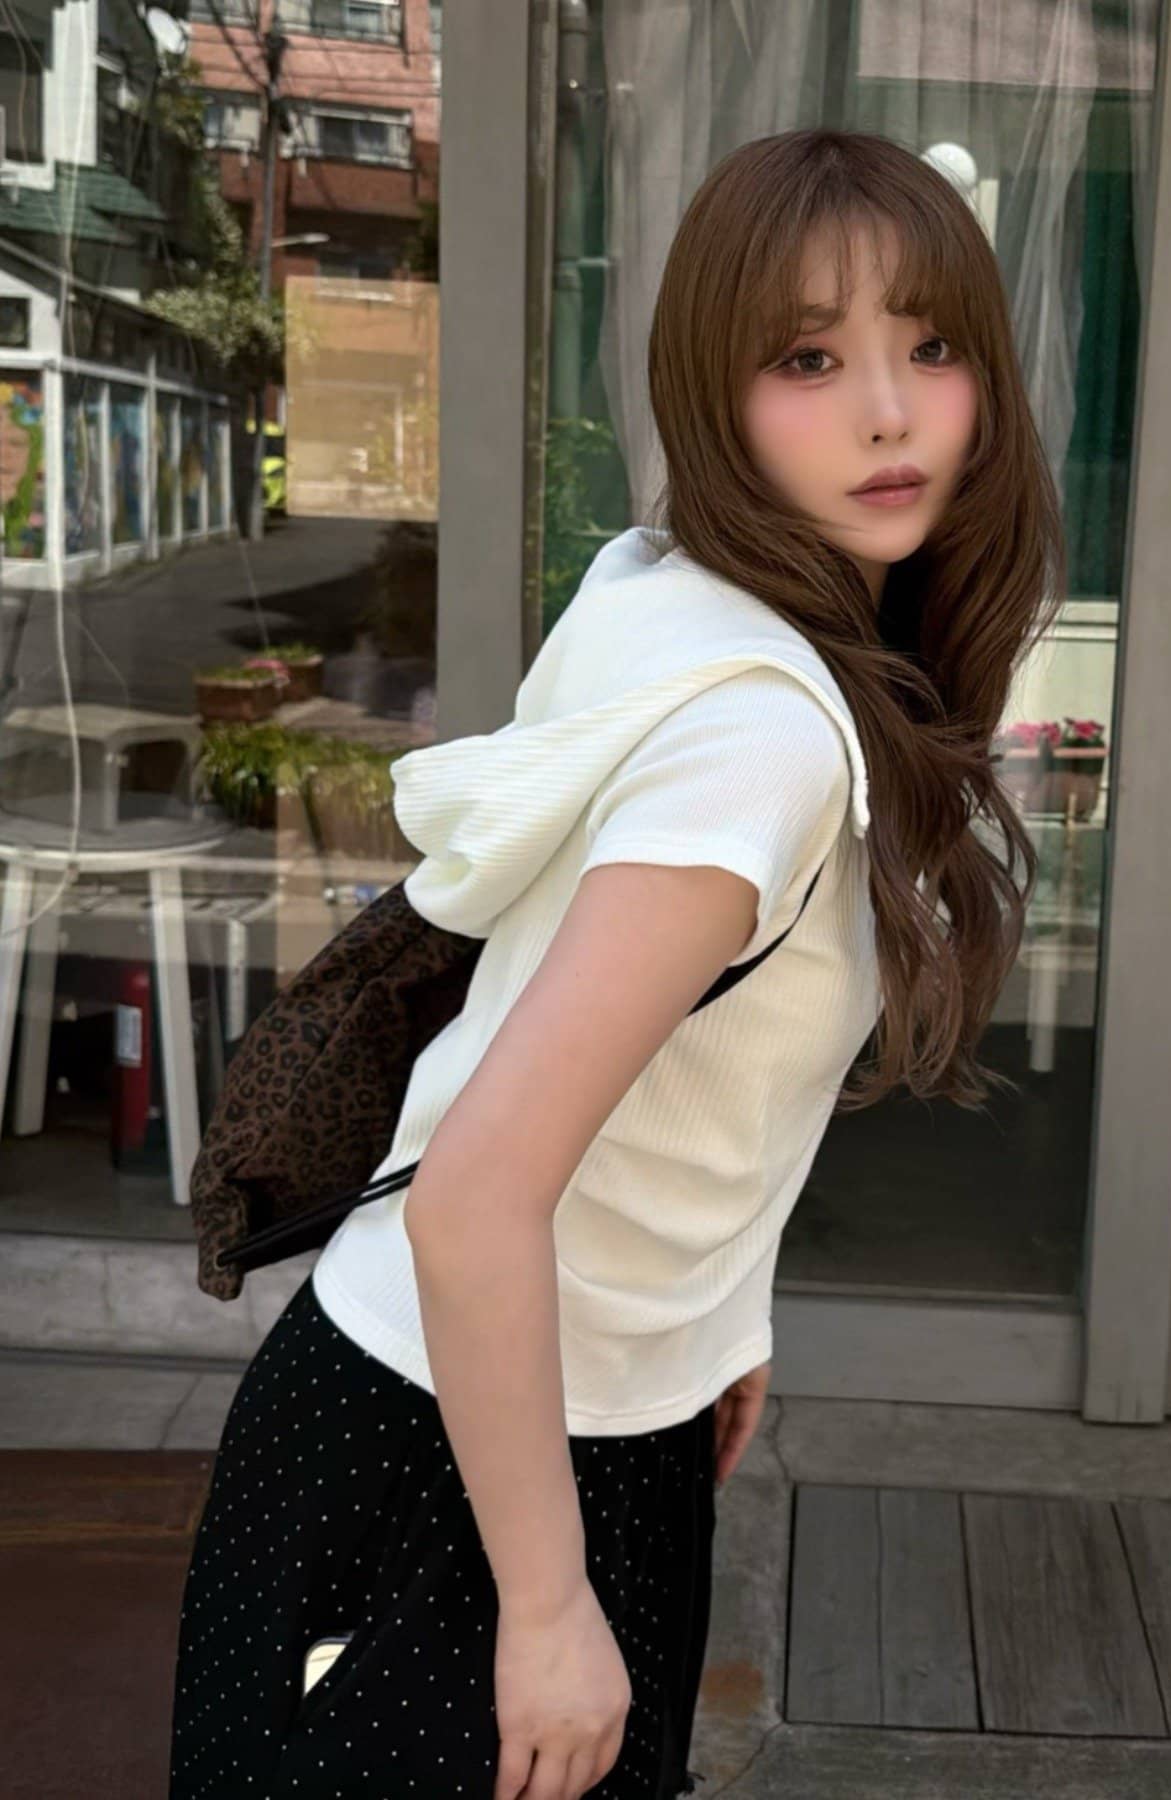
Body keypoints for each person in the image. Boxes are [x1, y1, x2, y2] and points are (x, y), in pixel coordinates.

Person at [167, 125, 1065, 1800]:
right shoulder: (761, 739)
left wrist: (719, 1322)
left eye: (932, 345)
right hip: (465, 1458)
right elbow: (475, 1194)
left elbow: (694, 1077)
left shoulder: (674, 584)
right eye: (809, 359)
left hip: (517, 1409)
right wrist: (546, 1605)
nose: (889, 411)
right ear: (713, 395)